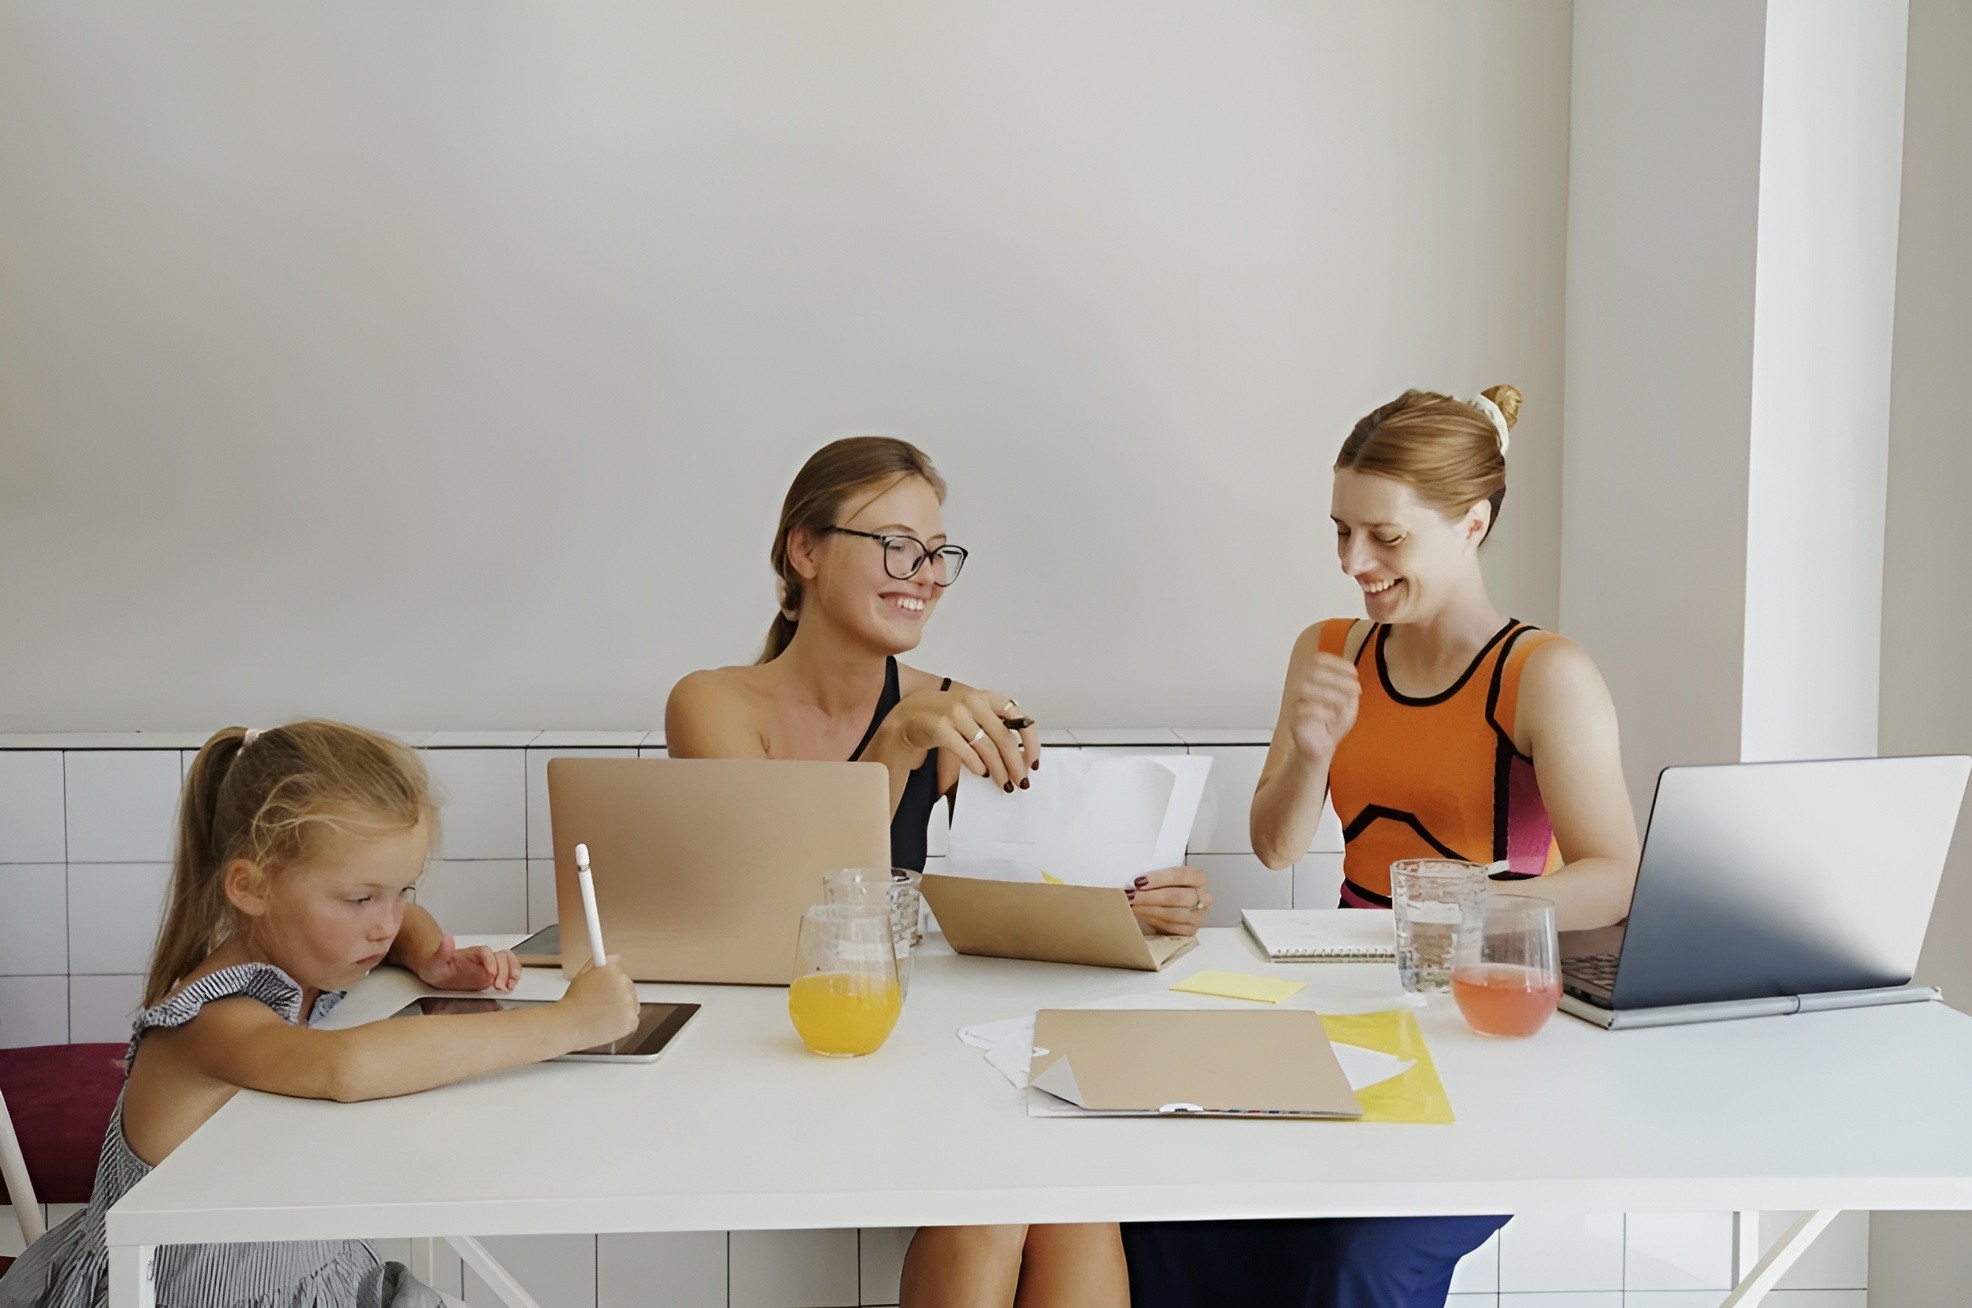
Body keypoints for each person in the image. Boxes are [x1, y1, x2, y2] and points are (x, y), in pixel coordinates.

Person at [1123, 386, 1640, 1307]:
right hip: (1354, 1015)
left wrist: (1461, 910)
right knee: (1173, 1217)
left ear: (1472, 524)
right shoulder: (1328, 649)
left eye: (1385, 537)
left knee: (1364, 1257)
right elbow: (1275, 847)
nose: (1353, 561)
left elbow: (1617, 876)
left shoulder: (1544, 675)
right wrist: (1310, 752)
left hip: (1493, 1034)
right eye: (1341, 532)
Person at [666, 435, 1211, 1308]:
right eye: (895, 545)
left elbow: (1037, 894)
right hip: (768, 1051)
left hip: (906, 1045)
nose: (922, 575)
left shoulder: (950, 708)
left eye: (935, 553)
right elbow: (791, 919)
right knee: (991, 1207)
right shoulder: (715, 704)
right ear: (805, 550)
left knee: (1078, 1200)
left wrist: (1139, 904)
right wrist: (897, 739)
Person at [0, 721, 640, 1308]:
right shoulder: (212, 1020)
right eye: (361, 899)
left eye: (401, 890)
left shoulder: (306, 950)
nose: (385, 923)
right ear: (251, 887)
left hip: (307, 1269)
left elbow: (402, 925)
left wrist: (431, 957)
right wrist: (568, 1024)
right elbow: (347, 1067)